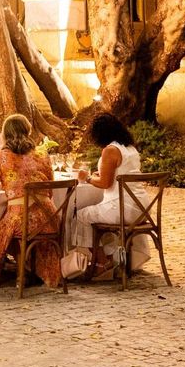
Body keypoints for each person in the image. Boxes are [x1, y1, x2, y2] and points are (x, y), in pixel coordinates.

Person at [0, 113, 62, 288]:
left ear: (4, 134)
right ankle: (30, 269)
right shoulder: (42, 155)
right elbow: (50, 189)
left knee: (1, 228)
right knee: (12, 224)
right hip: (50, 217)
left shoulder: (1, 157)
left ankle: (18, 273)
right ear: (28, 131)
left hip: (22, 220)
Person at [73, 113, 146, 277]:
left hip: (122, 208)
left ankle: (101, 261)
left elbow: (106, 184)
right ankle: (114, 259)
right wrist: (100, 175)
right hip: (141, 207)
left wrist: (88, 178)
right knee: (97, 213)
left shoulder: (110, 150)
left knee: (80, 216)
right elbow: (119, 175)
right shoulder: (130, 148)